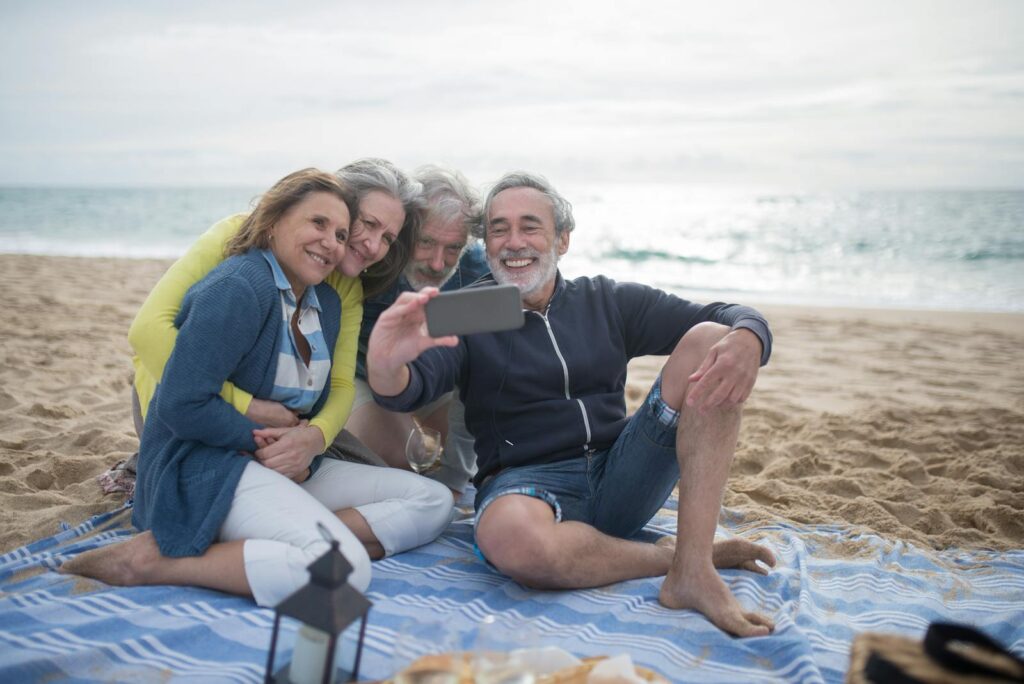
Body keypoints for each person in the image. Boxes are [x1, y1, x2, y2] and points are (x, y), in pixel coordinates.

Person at [366, 172, 779, 637]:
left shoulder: (603, 299)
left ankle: (694, 569)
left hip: (623, 472)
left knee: (711, 341)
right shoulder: (469, 308)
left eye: (530, 226)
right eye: (499, 229)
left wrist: (751, 335)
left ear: (562, 239)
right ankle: (682, 560)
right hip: (526, 486)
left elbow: (722, 315)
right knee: (506, 537)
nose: (513, 242)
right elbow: (411, 385)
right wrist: (386, 363)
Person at [62, 169, 453, 607]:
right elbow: (173, 382)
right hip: (209, 451)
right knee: (345, 570)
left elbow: (340, 384)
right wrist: (255, 421)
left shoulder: (327, 296)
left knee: (433, 500)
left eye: (345, 233)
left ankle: (281, 535)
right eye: (322, 224)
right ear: (274, 220)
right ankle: (155, 561)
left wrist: (309, 440)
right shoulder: (239, 281)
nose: (362, 244)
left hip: (277, 457)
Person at [127, 158, 424, 481]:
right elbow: (147, 331)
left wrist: (314, 437)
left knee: (372, 473)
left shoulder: (345, 288)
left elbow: (340, 383)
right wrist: (247, 405)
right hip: (177, 399)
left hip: (280, 415)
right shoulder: (235, 236)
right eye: (368, 223)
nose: (373, 245)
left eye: (387, 238)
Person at [346, 166, 489, 495]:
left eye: (453, 248)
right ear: (406, 230)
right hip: (359, 373)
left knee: (453, 457)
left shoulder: (476, 271)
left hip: (428, 377)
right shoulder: (369, 259)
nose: (438, 263)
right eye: (426, 243)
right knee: (404, 458)